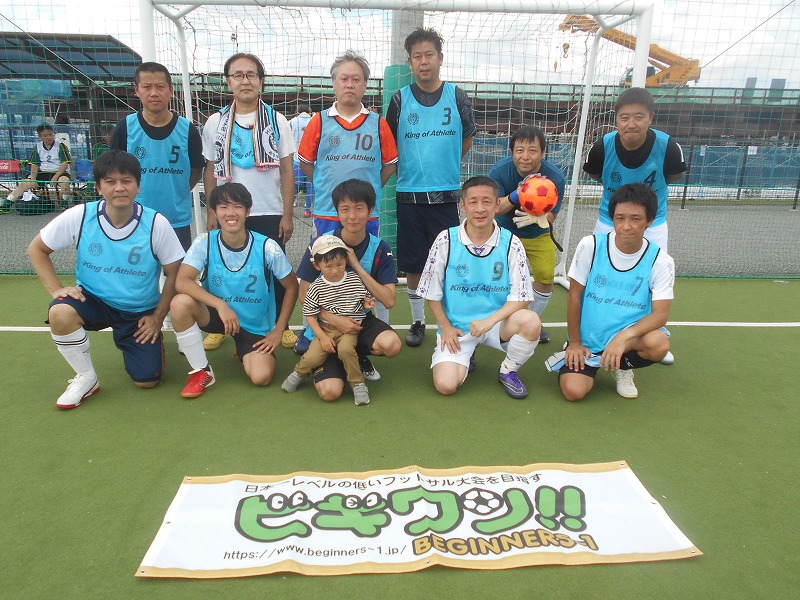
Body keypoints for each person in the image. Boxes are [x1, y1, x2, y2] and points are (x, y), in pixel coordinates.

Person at [26, 150, 185, 409]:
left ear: (138, 186)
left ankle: (145, 347)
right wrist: (56, 289)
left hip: (138, 311)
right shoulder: (80, 216)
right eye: (110, 182)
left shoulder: (156, 223)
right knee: (60, 312)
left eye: (126, 181)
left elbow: (175, 271)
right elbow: (37, 249)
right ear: (99, 187)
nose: (119, 188)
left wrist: (158, 316)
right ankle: (86, 377)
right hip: (93, 300)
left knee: (146, 380)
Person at [386, 27, 477, 348]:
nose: (423, 61)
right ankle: (418, 320)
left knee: (448, 263)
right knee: (413, 264)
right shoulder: (400, 99)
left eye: (429, 55)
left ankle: (448, 323)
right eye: (417, 56)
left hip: (446, 196)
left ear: (440, 58)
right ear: (409, 62)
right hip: (409, 196)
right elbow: (390, 146)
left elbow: (467, 139)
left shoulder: (457, 96)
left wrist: (445, 165)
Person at [202, 52, 296, 352]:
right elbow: (210, 169)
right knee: (222, 271)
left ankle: (281, 326)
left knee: (274, 272)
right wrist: (212, 212)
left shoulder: (277, 120)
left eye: (251, 75)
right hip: (228, 212)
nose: (245, 80)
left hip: (268, 209)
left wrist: (287, 214)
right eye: (238, 75)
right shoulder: (215, 122)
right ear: (228, 82)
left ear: (261, 81)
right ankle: (218, 326)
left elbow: (287, 170)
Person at [169, 182, 299, 398]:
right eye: (223, 207)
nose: (230, 213)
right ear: (214, 211)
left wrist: (278, 330)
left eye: (237, 206)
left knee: (261, 377)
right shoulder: (204, 242)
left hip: (253, 325)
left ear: (248, 211)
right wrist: (220, 305)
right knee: (180, 303)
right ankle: (201, 371)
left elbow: (292, 286)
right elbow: (182, 281)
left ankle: (243, 347)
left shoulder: (267, 246)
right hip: (218, 316)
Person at [417, 176, 541, 399]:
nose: (480, 209)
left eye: (486, 201)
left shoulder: (511, 242)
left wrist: (489, 321)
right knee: (446, 386)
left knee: (531, 321)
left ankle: (508, 370)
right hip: (458, 328)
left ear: (497, 205)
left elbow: (522, 297)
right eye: (473, 202)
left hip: (497, 324)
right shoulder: (446, 240)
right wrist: (445, 326)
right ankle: (468, 352)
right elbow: (431, 291)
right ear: (463, 206)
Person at [551, 183, 674, 402]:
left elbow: (660, 315)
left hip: (628, 339)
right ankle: (591, 356)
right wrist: (575, 342)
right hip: (588, 340)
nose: (626, 226)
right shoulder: (591, 246)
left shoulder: (661, 261)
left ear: (650, 221)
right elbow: (574, 295)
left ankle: (621, 366)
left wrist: (622, 339)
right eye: (620, 218)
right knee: (573, 391)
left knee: (659, 344)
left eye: (635, 219)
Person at [294, 178, 402, 399]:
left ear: (370, 211)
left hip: (358, 320)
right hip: (326, 325)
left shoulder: (380, 248)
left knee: (391, 345)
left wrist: (357, 266)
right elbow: (304, 294)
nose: (352, 216)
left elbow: (389, 300)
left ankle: (356, 357)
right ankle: (325, 359)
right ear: (338, 212)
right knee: (330, 392)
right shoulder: (320, 244)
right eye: (345, 209)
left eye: (359, 208)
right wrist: (334, 319)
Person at [297, 50, 397, 238]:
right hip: (327, 212)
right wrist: (323, 184)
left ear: (365, 84)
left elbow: (390, 165)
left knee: (366, 257)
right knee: (325, 257)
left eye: (356, 79)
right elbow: (305, 162)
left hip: (366, 215)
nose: (350, 84)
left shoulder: (378, 123)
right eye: (344, 79)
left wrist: (373, 186)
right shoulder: (319, 121)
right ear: (334, 83)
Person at [112, 62, 204, 250]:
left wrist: (178, 192)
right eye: (147, 87)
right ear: (136, 90)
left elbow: (196, 170)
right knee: (137, 268)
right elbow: (113, 173)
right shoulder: (125, 128)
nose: (154, 93)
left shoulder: (187, 130)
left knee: (177, 269)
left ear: (170, 90)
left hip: (176, 220)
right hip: (135, 218)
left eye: (160, 87)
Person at [583, 87, 686, 253]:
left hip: (652, 222)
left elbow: (676, 174)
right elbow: (596, 174)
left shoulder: (668, 146)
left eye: (639, 117)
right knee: (600, 264)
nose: (631, 124)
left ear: (650, 117)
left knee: (654, 267)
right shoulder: (601, 147)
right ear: (616, 119)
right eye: (625, 118)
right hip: (610, 220)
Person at [489, 125, 565, 344]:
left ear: (543, 152)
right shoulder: (499, 172)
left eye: (532, 150)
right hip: (505, 232)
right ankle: (499, 320)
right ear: (511, 151)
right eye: (520, 150)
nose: (525, 156)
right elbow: (494, 209)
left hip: (539, 234)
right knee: (496, 279)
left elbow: (552, 216)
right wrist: (517, 195)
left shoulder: (555, 177)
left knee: (546, 276)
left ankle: (533, 321)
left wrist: (539, 216)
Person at [282, 235, 374, 406]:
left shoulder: (354, 280)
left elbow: (363, 298)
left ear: (346, 261)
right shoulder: (316, 287)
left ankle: (358, 384)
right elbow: (310, 315)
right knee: (312, 358)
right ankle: (299, 373)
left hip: (349, 330)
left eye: (339, 264)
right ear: (317, 266)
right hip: (325, 330)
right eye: (328, 266)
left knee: (346, 350)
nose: (335, 270)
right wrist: (323, 337)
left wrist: (367, 303)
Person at [2, 124, 72, 214]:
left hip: (59, 172)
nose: (49, 137)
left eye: (50, 135)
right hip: (43, 172)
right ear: (40, 137)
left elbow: (64, 164)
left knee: (65, 183)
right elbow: (34, 165)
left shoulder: (60, 146)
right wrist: (33, 180)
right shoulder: (38, 147)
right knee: (24, 183)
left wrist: (55, 177)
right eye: (45, 136)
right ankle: (6, 205)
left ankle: (64, 203)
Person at [289, 106, 315, 217]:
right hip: (312, 160)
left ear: (297, 112)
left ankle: (290, 208)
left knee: (295, 185)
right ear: (309, 112)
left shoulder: (292, 122)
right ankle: (307, 210)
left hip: (297, 159)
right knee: (311, 186)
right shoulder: (315, 121)